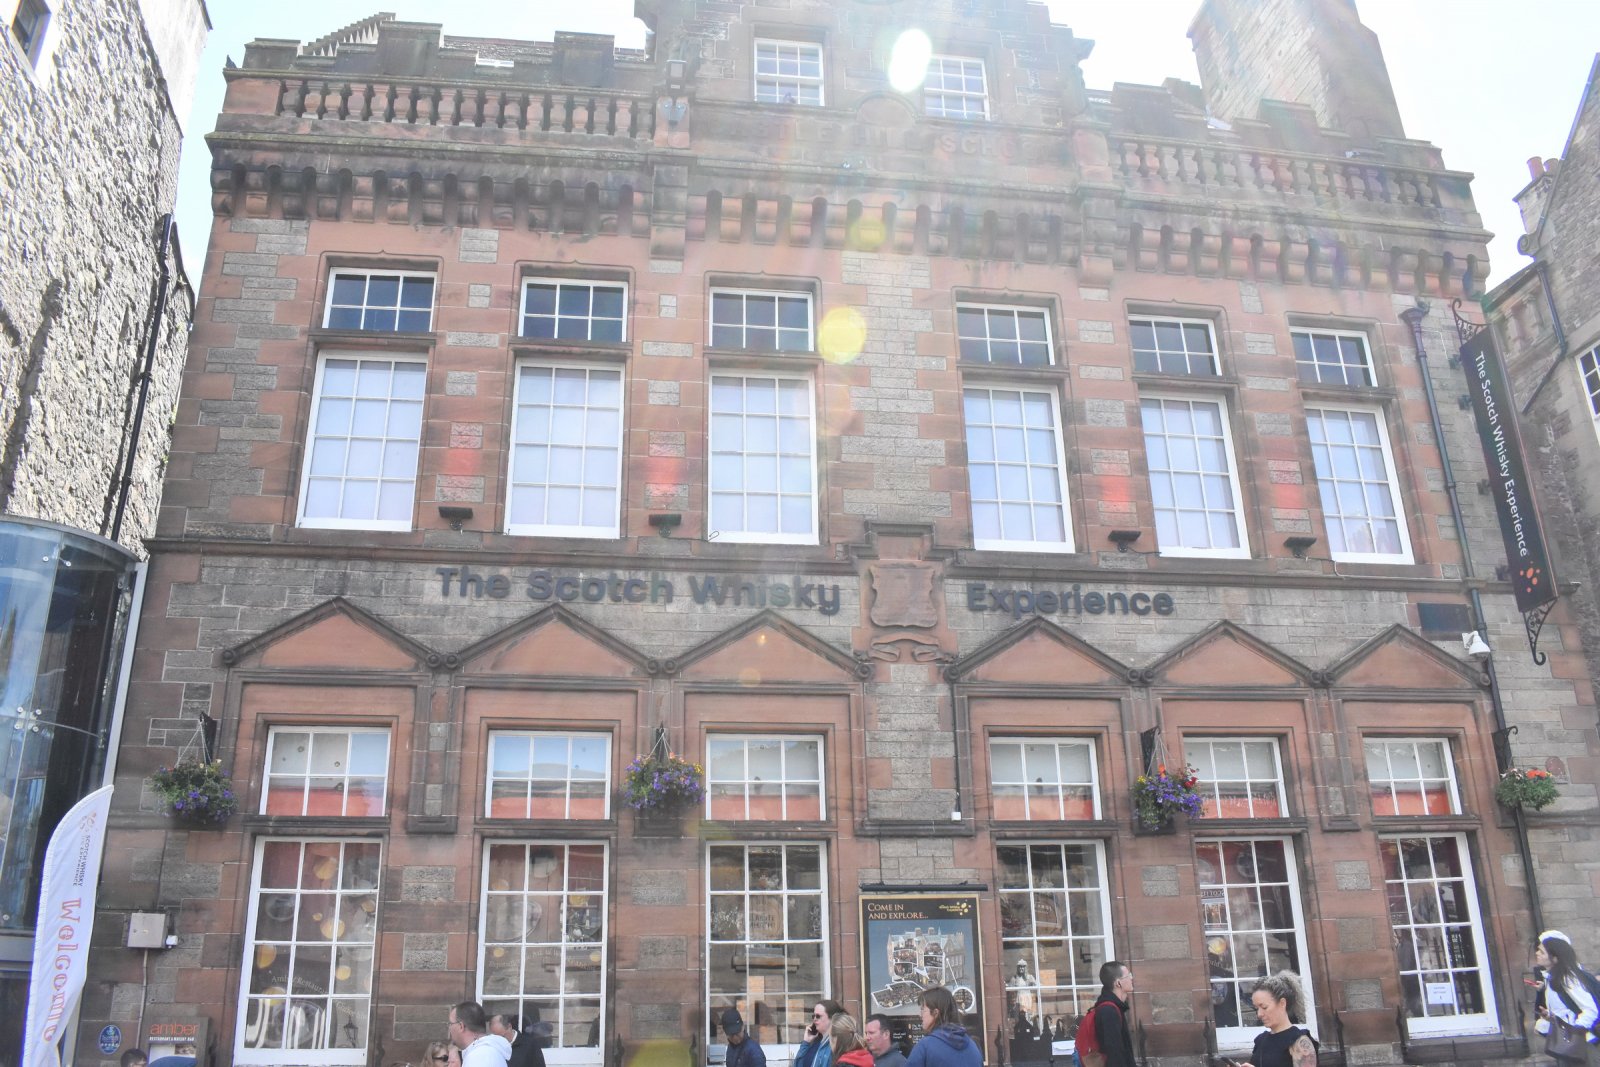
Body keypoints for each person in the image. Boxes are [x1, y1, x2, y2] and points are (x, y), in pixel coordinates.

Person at [1537, 930, 1599, 1065]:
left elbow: (1591, 1010)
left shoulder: (1567, 978)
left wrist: (1575, 1032)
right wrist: (1550, 1016)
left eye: (1542, 952)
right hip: (1568, 1046)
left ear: (1555, 958)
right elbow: (1565, 1010)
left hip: (1581, 1045)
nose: (1537, 954)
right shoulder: (1552, 978)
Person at [1239, 972, 1317, 1067]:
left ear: (1282, 1003)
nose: (1259, 1014)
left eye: (1264, 1007)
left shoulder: (1300, 1041)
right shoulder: (1261, 1040)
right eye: (1256, 1008)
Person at [906, 987, 982, 1067]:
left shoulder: (924, 1047)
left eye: (923, 1009)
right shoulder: (973, 1045)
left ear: (935, 1013)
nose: (920, 1015)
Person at [1087, 961, 1136, 1067]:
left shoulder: (1115, 1006)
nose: (1131, 978)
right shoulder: (1109, 1011)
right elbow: (1114, 1053)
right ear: (1118, 983)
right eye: (1128, 976)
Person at [450, 1001, 512, 1067]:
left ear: (461, 1026)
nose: (449, 1028)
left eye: (451, 1024)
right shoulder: (484, 1052)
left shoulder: (479, 1057)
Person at [795, 1000, 846, 1067]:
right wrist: (806, 1043)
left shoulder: (837, 1044)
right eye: (813, 1016)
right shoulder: (814, 1043)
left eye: (818, 1016)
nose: (814, 1019)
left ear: (832, 1018)